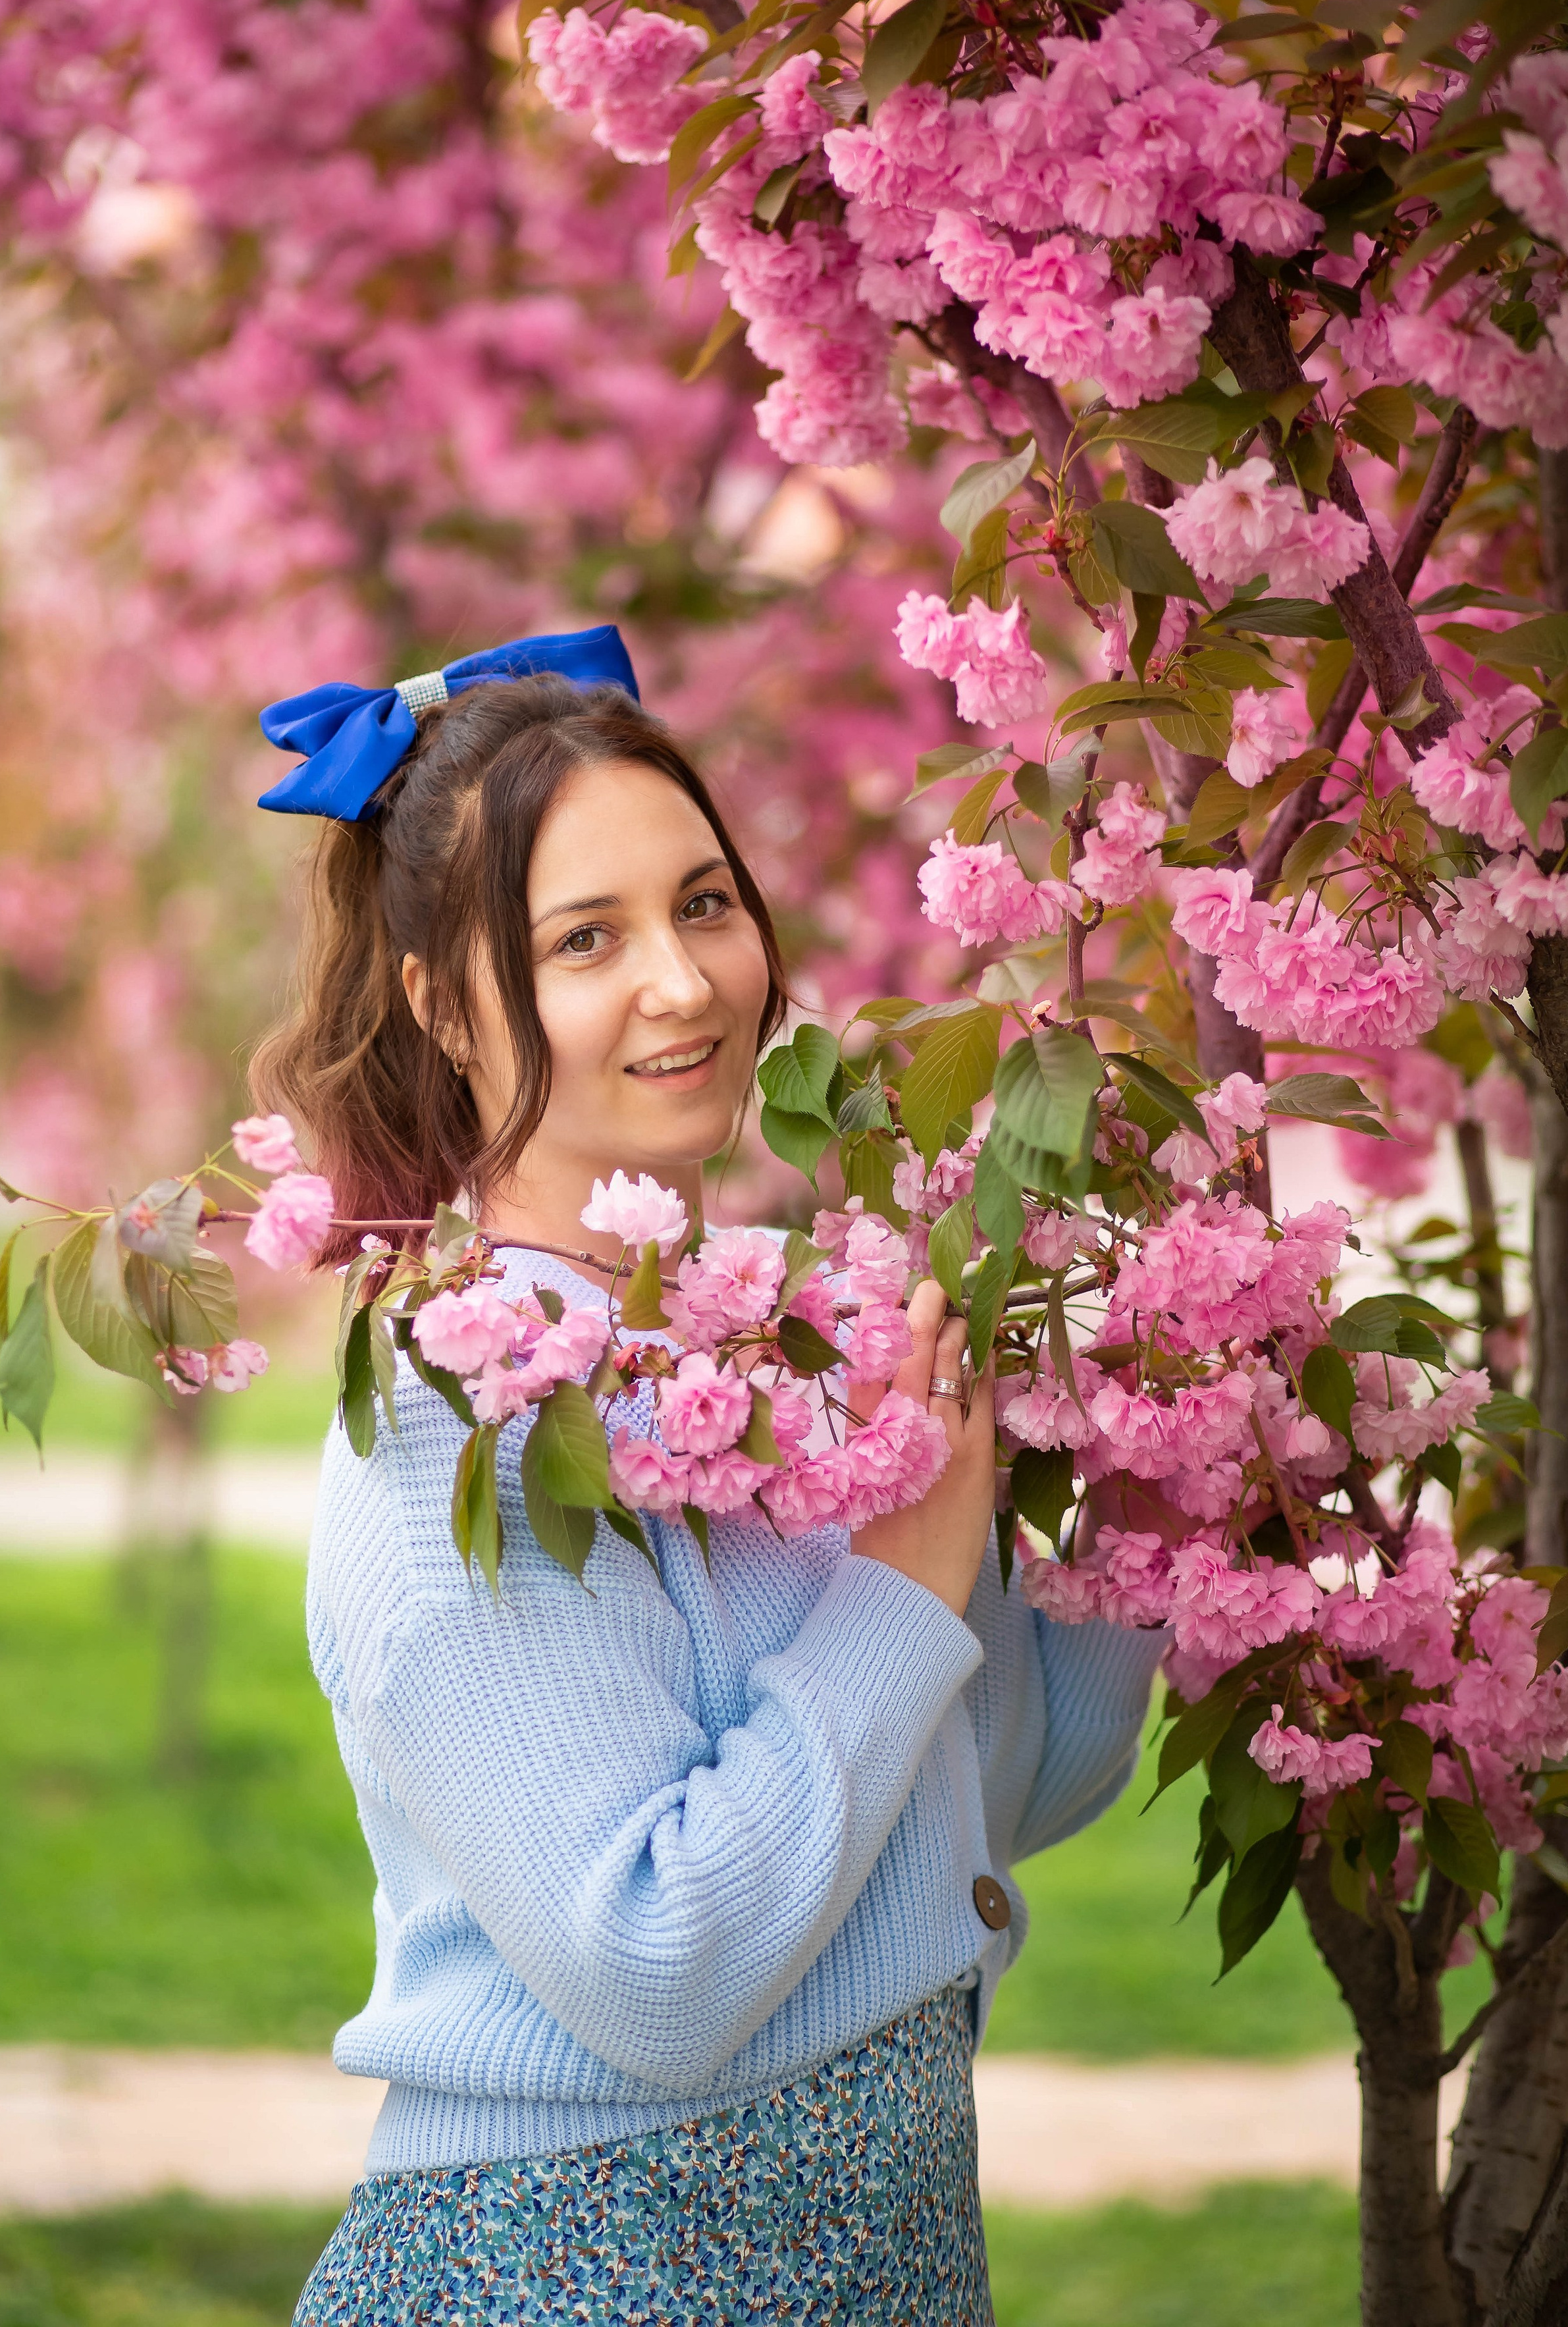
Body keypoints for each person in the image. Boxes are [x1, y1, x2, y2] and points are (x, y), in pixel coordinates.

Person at [251, 628, 1165, 2326]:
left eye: (706, 904)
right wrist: (903, 1577)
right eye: (583, 941)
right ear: (448, 1003)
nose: (682, 983)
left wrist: (1156, 1470)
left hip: (873, 2249)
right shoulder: (464, 1418)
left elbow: (983, 1789)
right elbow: (657, 1969)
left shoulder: (748, 1345)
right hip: (586, 2261)